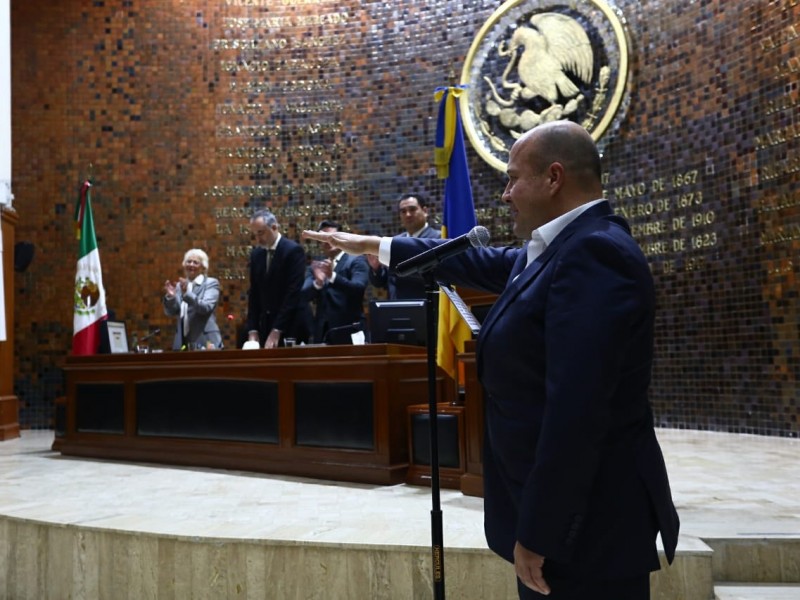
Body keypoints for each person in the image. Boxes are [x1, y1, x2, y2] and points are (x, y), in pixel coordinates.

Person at [302, 120, 680, 599]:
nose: (505, 194)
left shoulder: (595, 253)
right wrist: (375, 246)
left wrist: (542, 529)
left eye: (513, 178)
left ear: (554, 178)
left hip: (586, 529)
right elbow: (471, 261)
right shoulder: (553, 250)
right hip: (568, 523)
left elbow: (577, 413)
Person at [245, 208, 309, 348]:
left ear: (274, 227)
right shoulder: (257, 255)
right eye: (255, 234)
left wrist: (277, 329)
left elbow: (293, 293)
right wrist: (253, 329)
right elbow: (254, 293)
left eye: (260, 233)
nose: (258, 239)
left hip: (291, 324)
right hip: (267, 324)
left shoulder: (293, 251)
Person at [301, 220, 369, 344]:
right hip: (323, 334)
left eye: (331, 237)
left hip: (349, 331)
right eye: (323, 238)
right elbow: (303, 296)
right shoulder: (317, 266)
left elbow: (358, 289)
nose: (327, 241)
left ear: (341, 238)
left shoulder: (356, 260)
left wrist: (332, 276)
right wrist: (318, 283)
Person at [367, 194, 441, 299]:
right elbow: (381, 283)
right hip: (398, 308)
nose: (408, 214)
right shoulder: (394, 241)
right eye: (403, 211)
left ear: (425, 211)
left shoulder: (438, 238)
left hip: (429, 306)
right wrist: (376, 268)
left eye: (412, 209)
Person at [163, 248, 222, 350]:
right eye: (188, 261)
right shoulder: (180, 286)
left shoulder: (210, 283)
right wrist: (171, 297)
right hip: (182, 343)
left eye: (195, 262)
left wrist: (187, 294)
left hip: (206, 341)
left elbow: (205, 307)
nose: (191, 265)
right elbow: (171, 312)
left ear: (203, 267)